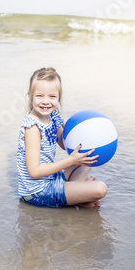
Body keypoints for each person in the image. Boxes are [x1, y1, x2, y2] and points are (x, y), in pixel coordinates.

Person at [16, 67, 107, 208]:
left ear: (59, 98)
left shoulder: (53, 117)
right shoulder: (33, 128)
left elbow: (66, 144)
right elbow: (34, 172)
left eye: (52, 96)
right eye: (39, 96)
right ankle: (79, 196)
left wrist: (89, 133)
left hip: (51, 179)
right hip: (37, 193)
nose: (46, 101)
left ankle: (78, 195)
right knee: (100, 188)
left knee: (87, 159)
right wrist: (70, 161)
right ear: (30, 96)